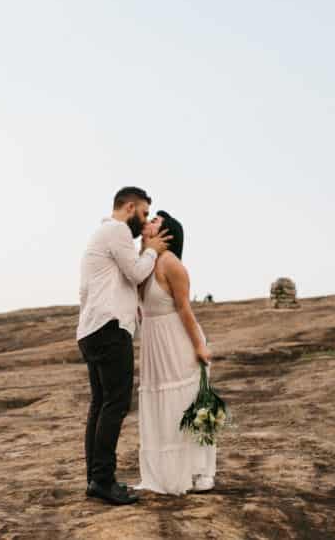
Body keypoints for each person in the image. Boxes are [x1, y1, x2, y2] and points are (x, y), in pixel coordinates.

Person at [77, 186, 171, 505]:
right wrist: (153, 249)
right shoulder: (117, 230)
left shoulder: (100, 235)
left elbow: (91, 289)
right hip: (110, 328)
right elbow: (136, 272)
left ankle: (95, 478)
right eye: (143, 213)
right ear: (129, 207)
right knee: (115, 405)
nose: (144, 220)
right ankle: (103, 480)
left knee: (100, 404)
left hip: (91, 329)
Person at [135, 210, 216, 495]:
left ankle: (202, 471)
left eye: (155, 221)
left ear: (167, 234)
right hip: (155, 344)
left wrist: (199, 346)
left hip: (178, 341)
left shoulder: (171, 265)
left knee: (188, 404)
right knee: (161, 407)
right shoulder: (142, 264)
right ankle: (167, 473)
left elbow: (184, 308)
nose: (148, 223)